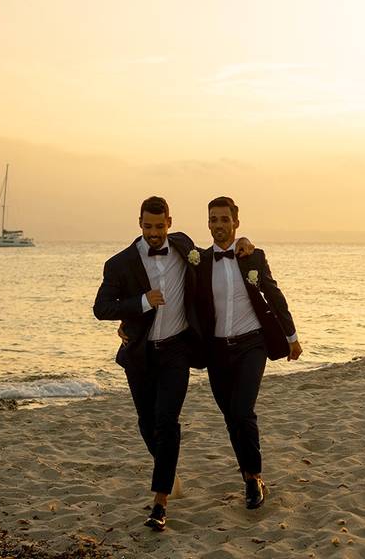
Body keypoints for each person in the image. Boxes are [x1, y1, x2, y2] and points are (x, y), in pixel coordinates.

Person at [92, 196, 252, 531]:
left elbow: (214, 255)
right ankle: (169, 470)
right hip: (140, 355)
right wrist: (140, 303)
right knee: (146, 424)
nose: (154, 232)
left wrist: (244, 242)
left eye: (159, 225)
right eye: (147, 226)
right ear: (139, 223)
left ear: (169, 222)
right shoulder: (119, 263)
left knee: (167, 422)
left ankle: (160, 504)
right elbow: (102, 307)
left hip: (177, 351)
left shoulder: (183, 248)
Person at [196, 196, 301, 509]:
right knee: (231, 417)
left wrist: (292, 336)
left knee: (242, 410)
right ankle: (247, 474)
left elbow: (273, 295)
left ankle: (254, 477)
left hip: (251, 344)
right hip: (215, 349)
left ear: (236, 222)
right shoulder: (199, 261)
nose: (218, 225)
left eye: (224, 220)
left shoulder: (253, 257)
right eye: (213, 219)